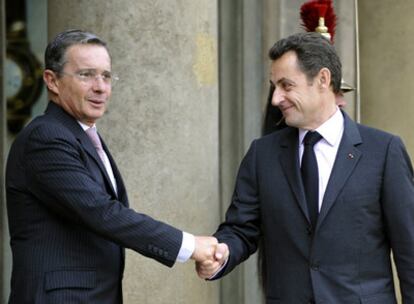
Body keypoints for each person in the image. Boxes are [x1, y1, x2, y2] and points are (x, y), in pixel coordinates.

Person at [5, 29, 223, 304]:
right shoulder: (45, 138)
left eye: (106, 76)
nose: (100, 87)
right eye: (86, 74)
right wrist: (190, 246)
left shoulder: (81, 135)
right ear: (52, 81)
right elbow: (103, 213)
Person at [196, 32, 414, 303]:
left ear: (323, 79)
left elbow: (409, 250)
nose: (276, 99)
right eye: (274, 86)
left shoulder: (383, 151)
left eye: (286, 85)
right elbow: (241, 229)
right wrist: (221, 253)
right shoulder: (261, 155)